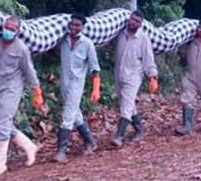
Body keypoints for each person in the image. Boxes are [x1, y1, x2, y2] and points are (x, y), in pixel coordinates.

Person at [0, 15, 45, 175]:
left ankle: (0, 164)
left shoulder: (21, 49)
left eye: (11, 29)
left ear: (17, 31)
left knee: (3, 124)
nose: (8, 31)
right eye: (6, 27)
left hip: (12, 89)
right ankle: (30, 147)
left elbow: (29, 71)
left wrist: (37, 92)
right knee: (5, 124)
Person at [54, 13, 101, 163]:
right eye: (72, 24)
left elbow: (95, 68)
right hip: (64, 82)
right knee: (75, 115)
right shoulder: (64, 40)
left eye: (77, 25)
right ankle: (91, 142)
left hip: (76, 83)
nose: (73, 27)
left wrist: (96, 88)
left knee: (67, 116)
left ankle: (61, 152)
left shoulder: (87, 44)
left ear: (82, 27)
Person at [112, 9, 158, 147]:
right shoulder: (121, 34)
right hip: (119, 74)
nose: (133, 22)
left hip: (134, 75)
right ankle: (139, 130)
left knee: (126, 105)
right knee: (127, 103)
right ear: (129, 19)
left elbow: (148, 59)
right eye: (132, 19)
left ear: (141, 24)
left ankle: (119, 136)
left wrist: (152, 76)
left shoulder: (143, 39)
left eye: (137, 21)